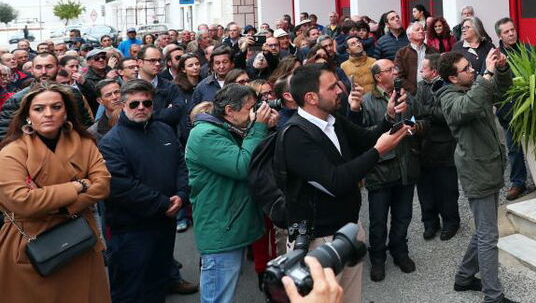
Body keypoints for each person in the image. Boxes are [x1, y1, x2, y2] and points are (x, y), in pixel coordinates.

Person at [279, 63, 411, 303]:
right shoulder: (295, 135)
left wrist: (389, 117)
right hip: (318, 241)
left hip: (348, 228)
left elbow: (366, 139)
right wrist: (379, 152)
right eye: (332, 87)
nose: (340, 90)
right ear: (311, 97)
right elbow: (336, 181)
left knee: (350, 298)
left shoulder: (333, 119)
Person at [0, 83, 111, 303]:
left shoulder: (86, 143)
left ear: (66, 112)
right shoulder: (11, 152)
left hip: (80, 240)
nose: (48, 114)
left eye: (56, 107)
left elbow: (103, 185)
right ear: (27, 116)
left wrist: (54, 203)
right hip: (31, 245)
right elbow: (22, 202)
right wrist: (79, 185)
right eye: (39, 109)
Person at [99, 79, 193, 301]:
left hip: (164, 224)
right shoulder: (111, 142)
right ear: (123, 105)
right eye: (134, 104)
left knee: (157, 283)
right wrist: (164, 204)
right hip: (131, 230)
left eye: (146, 103)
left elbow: (182, 166)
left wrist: (181, 196)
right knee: (130, 290)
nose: (141, 108)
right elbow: (121, 186)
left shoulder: (163, 130)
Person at [186, 83, 277, 303]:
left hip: (230, 222)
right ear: (229, 111)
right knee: (218, 298)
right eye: (250, 108)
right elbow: (243, 166)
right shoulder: (205, 135)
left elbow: (255, 156)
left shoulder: (227, 128)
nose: (254, 112)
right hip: (220, 228)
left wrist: (266, 128)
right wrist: (258, 128)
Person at [437, 48, 516, 303]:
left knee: (484, 229)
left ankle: (463, 278)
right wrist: (486, 75)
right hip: (477, 171)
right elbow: (466, 109)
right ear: (452, 77)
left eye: (471, 67)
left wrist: (501, 69)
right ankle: (493, 296)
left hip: (488, 166)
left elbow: (502, 92)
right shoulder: (447, 96)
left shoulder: (473, 86)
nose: (472, 70)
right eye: (466, 69)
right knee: (489, 236)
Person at [362, 59, 421, 281]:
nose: (395, 72)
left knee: (403, 216)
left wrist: (411, 124)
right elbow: (363, 134)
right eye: (390, 70)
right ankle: (377, 258)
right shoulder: (368, 101)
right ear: (378, 77)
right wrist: (388, 122)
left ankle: (400, 251)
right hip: (380, 169)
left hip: (405, 165)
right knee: (378, 220)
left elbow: (417, 119)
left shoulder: (405, 95)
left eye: (395, 69)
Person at [414, 53, 460, 241]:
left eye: (423, 68)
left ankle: (451, 222)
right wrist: (426, 112)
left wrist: (426, 110)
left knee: (447, 189)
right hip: (423, 147)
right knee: (426, 190)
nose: (419, 71)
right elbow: (416, 111)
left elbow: (445, 115)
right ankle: (430, 223)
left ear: (433, 71)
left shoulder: (448, 86)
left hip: (444, 147)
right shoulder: (420, 86)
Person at [0, 52, 95, 137]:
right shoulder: (18, 99)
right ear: (32, 70)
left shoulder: (72, 94)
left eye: (49, 67)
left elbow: (84, 125)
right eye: (38, 67)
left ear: (58, 69)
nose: (44, 72)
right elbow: (5, 133)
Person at [494, 17, 533, 201]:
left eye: (512, 30)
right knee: (513, 147)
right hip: (509, 109)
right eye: (506, 32)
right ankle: (518, 182)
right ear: (499, 36)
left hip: (532, 106)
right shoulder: (495, 57)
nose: (511, 34)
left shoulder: (529, 50)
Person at [395, 22, 437, 94]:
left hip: (432, 92)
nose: (421, 31)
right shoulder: (401, 53)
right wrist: (415, 91)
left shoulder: (433, 51)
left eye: (422, 29)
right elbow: (398, 76)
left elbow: (438, 72)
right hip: (410, 94)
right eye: (417, 30)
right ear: (409, 35)